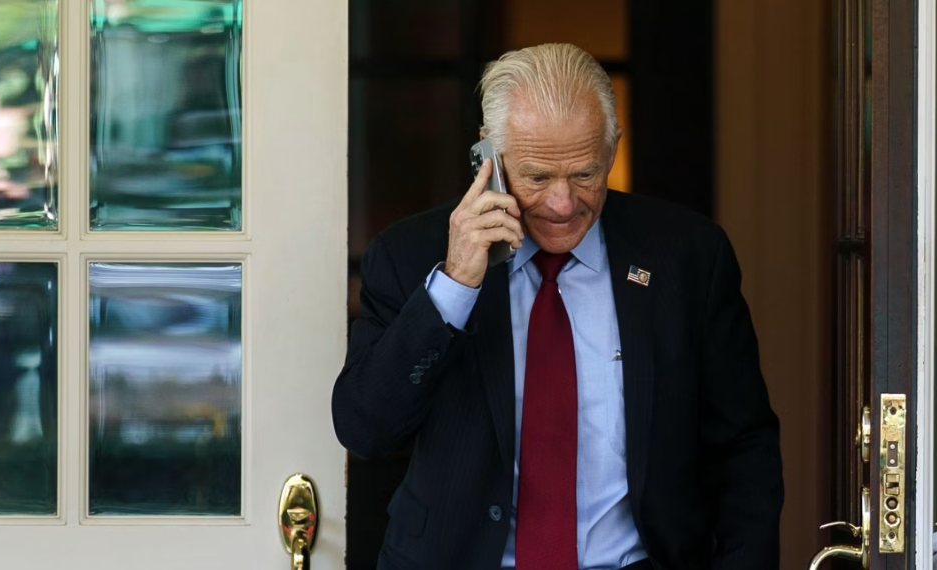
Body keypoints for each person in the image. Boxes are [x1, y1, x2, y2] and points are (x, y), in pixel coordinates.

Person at [332, 43, 784, 570]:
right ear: (488, 156)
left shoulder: (688, 257)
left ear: (612, 149)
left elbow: (743, 446)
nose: (563, 204)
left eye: (586, 174)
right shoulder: (409, 255)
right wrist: (455, 285)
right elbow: (366, 428)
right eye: (538, 177)